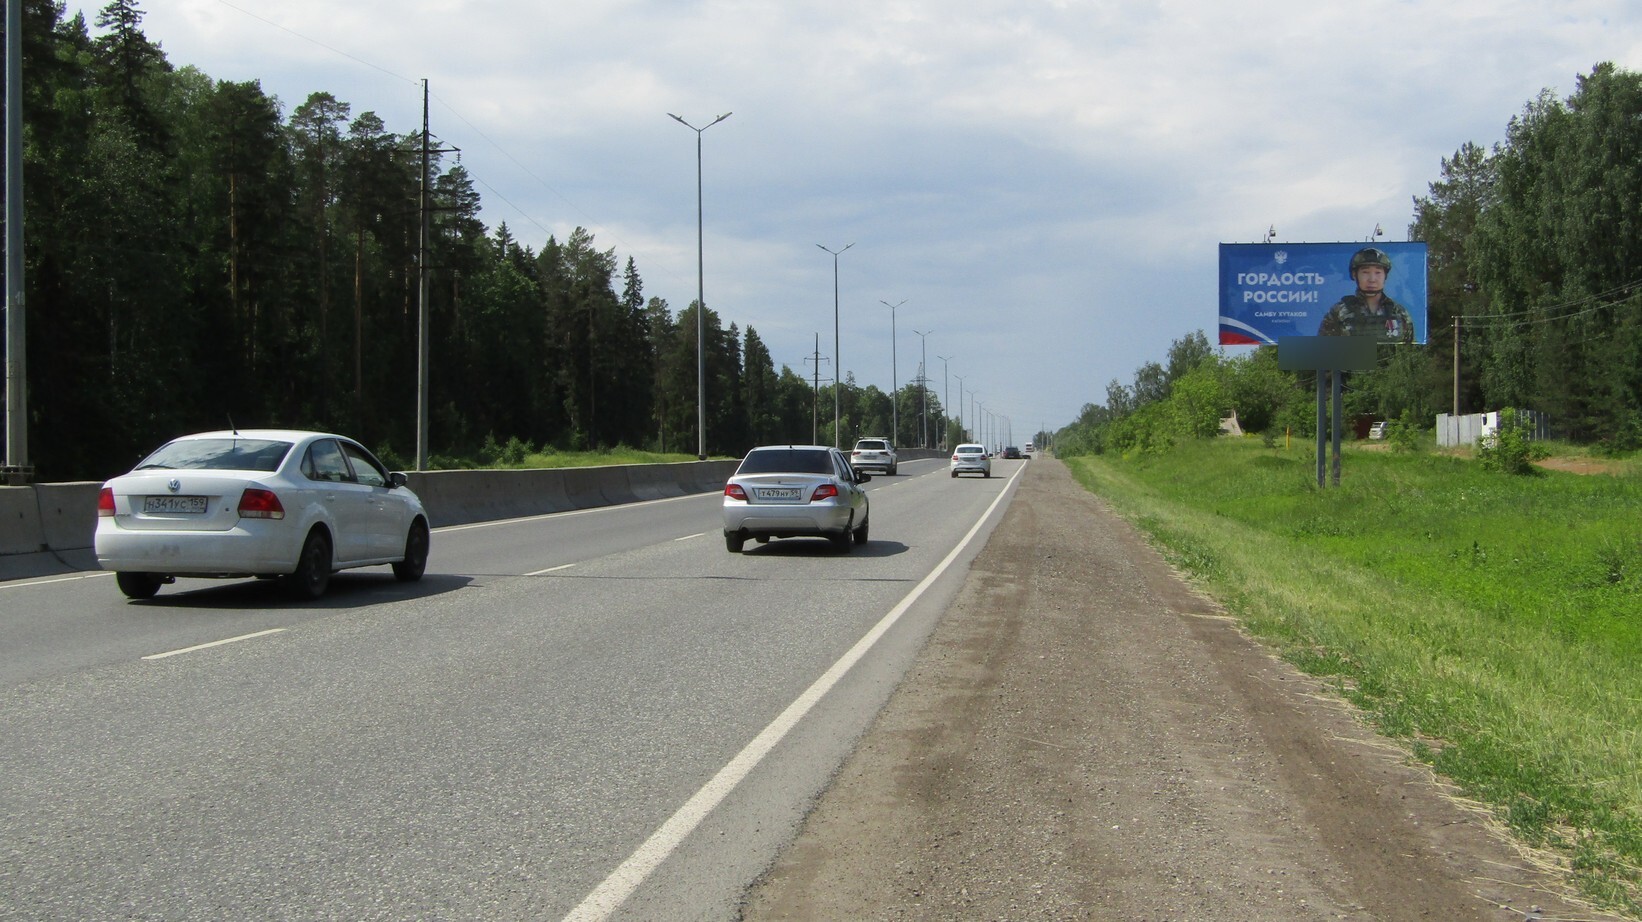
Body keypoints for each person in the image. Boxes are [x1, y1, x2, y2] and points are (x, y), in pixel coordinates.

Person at [1317, 247, 1414, 343]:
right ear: (1355, 275)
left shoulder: (1399, 313)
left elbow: (1411, 351)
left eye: (1378, 272)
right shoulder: (1339, 312)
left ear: (1385, 276)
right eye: (1365, 272)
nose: (1372, 279)